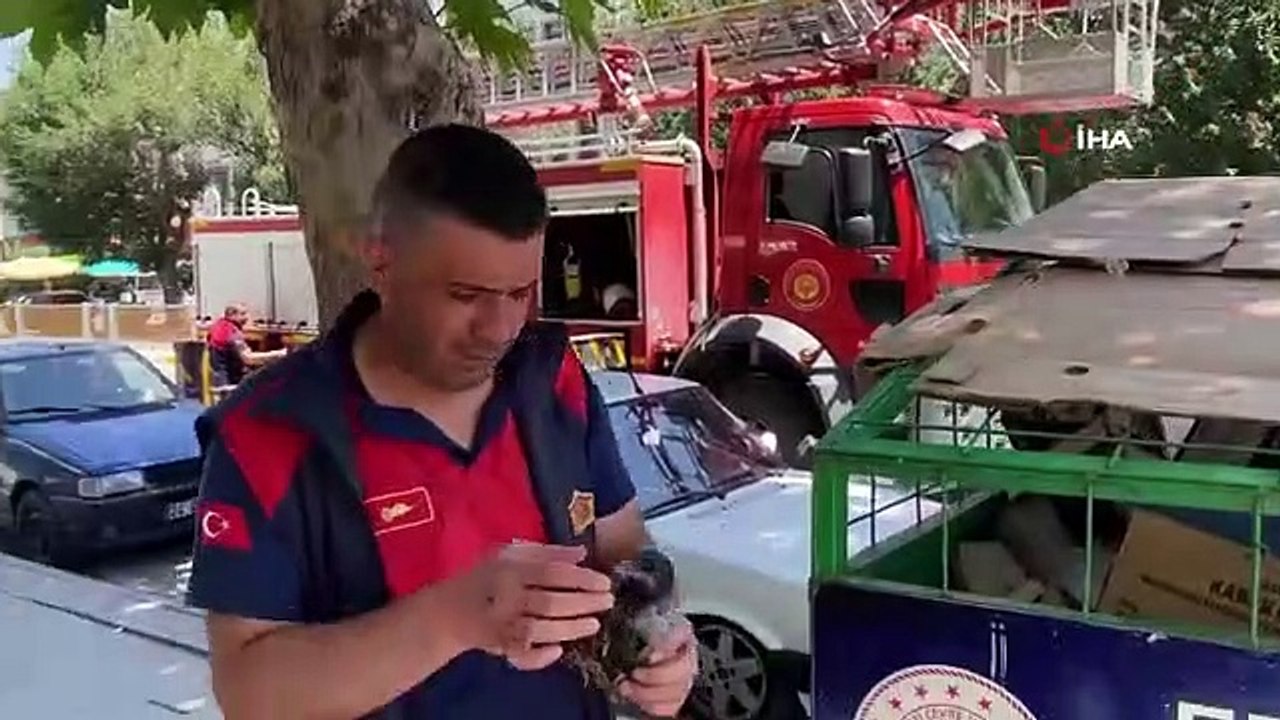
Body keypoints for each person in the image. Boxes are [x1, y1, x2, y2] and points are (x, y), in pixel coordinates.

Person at [185, 124, 698, 720]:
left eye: (519, 292)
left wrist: (659, 634)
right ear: (380, 260)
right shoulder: (268, 434)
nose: (500, 328)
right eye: (465, 294)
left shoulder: (552, 379)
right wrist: (455, 617)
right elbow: (248, 692)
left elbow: (626, 548)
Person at [205, 303, 286, 387]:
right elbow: (249, 359)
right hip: (230, 383)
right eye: (243, 314)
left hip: (219, 377)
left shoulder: (219, 325)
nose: (246, 317)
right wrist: (278, 354)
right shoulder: (231, 332)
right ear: (232, 315)